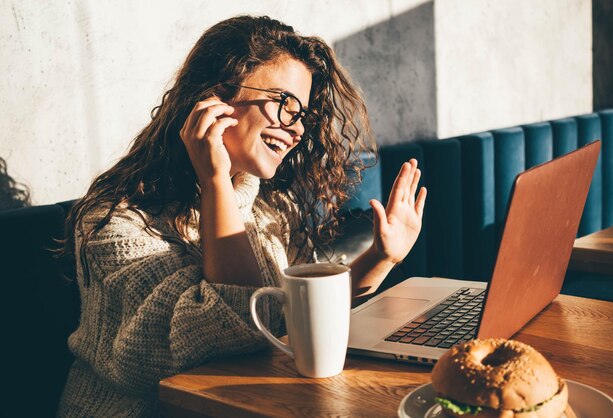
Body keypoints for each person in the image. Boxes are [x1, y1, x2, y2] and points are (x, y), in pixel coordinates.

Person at [57, 15, 427, 417]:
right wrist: (214, 179)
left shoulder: (268, 209)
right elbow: (233, 326)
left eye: (301, 113)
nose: (297, 128)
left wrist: (383, 255)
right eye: (285, 103)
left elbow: (300, 315)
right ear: (216, 98)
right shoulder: (114, 225)